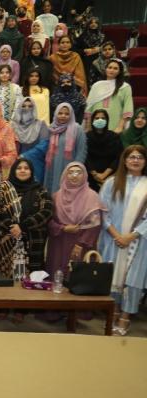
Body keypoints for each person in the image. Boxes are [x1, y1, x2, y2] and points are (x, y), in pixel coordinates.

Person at [97, 145, 147, 336]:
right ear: (124, 160)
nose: (135, 160)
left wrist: (131, 236)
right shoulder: (112, 182)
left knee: (133, 279)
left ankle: (126, 316)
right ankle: (114, 311)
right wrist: (116, 234)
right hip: (112, 238)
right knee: (113, 276)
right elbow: (102, 210)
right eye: (131, 157)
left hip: (139, 241)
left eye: (140, 157)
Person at [0, 158, 53, 281]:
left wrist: (22, 226)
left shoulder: (40, 190)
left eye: (26, 168)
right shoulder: (3, 188)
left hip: (33, 242)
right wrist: (11, 227)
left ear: (31, 171)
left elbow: (46, 212)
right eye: (19, 168)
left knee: (32, 281)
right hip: (7, 240)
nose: (23, 171)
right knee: (5, 281)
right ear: (13, 171)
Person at [47, 162, 105, 280]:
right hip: (59, 242)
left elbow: (95, 225)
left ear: (85, 176)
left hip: (81, 244)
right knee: (57, 278)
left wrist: (80, 244)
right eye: (71, 172)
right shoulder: (56, 197)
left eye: (79, 172)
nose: (74, 175)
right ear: (65, 175)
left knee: (78, 279)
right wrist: (63, 228)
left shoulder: (92, 196)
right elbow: (48, 220)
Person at [35, 103, 87, 193]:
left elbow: (81, 152)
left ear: (71, 115)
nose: (63, 116)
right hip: (52, 167)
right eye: (60, 113)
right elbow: (44, 147)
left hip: (69, 168)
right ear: (55, 114)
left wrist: (75, 170)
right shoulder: (51, 129)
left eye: (67, 114)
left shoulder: (77, 129)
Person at [85, 59, 133, 134]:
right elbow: (89, 107)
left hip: (115, 126)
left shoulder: (125, 87)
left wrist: (120, 127)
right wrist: (88, 126)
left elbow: (127, 108)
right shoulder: (96, 85)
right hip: (95, 125)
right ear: (105, 69)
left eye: (115, 68)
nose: (112, 70)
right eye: (109, 67)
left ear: (119, 71)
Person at [85, 109, 124, 191]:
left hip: (111, 177)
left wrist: (104, 174)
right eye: (97, 118)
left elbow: (119, 157)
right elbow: (85, 156)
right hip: (90, 177)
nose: (100, 120)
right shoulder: (86, 137)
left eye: (103, 118)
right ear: (92, 120)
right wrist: (94, 174)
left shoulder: (114, 137)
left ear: (107, 120)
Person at [12, 97, 49, 179]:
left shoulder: (41, 125)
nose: (27, 108)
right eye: (23, 106)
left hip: (36, 163)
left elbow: (44, 145)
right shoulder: (13, 126)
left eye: (30, 106)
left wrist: (25, 155)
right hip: (16, 163)